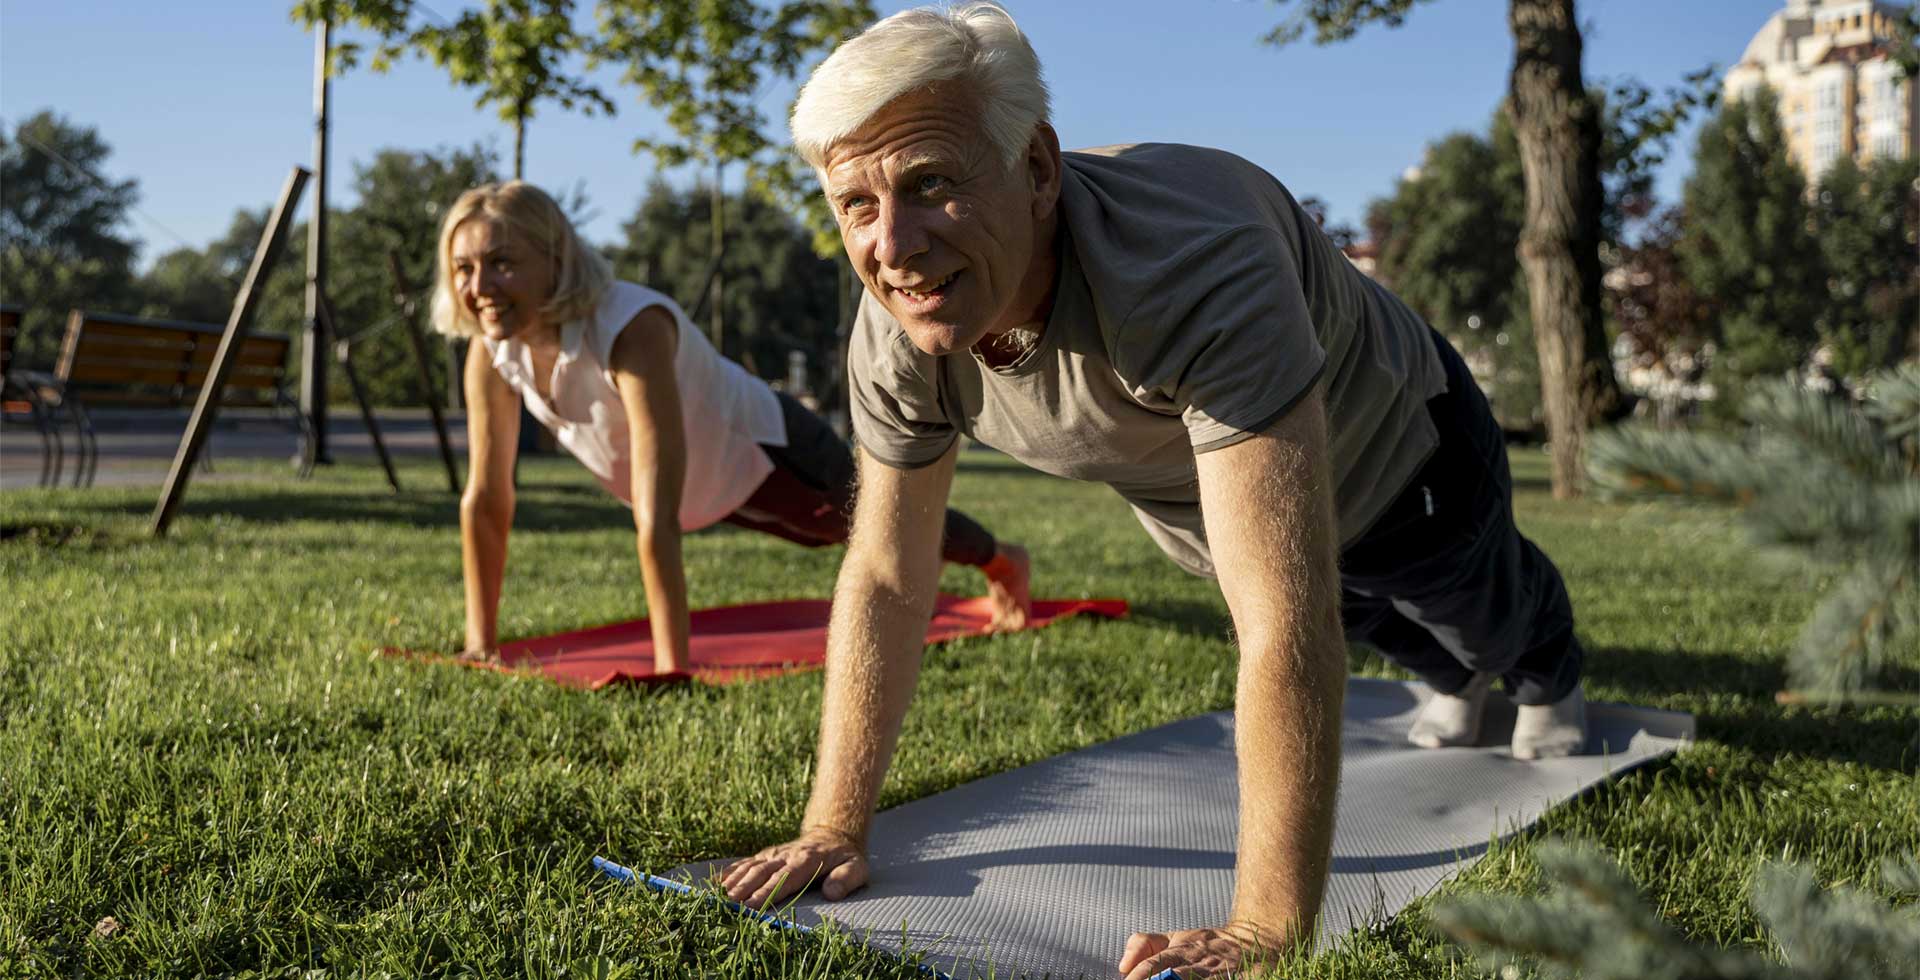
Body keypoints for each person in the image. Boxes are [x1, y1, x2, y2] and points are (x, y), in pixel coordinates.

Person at [716, 4, 1590, 977]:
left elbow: (1279, 617)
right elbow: (884, 572)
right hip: (1199, 499)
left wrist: (1265, 922)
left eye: (931, 186)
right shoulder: (898, 334)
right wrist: (834, 823)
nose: (895, 244)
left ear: (1038, 169)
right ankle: (1453, 676)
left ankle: (1545, 665)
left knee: (1466, 603)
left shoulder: (1191, 260)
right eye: (856, 205)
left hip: (1402, 447)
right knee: (1380, 625)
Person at [431, 181, 1032, 674]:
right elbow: (486, 499)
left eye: (502, 263)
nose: (479, 288)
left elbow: (655, 511)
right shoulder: (492, 353)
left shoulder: (629, 329)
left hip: (768, 452)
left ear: (556, 259)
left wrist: (672, 669)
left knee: (870, 526)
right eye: (463, 268)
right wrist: (480, 644)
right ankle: (992, 556)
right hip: (708, 484)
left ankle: (1001, 559)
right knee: (846, 533)